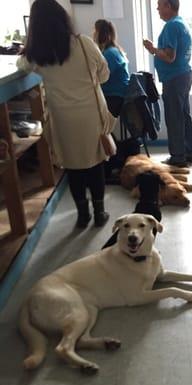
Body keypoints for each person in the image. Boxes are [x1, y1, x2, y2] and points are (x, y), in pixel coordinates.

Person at [17, 0, 111, 228]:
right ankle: (99, 213)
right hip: (90, 114)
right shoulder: (84, 43)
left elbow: (21, 65)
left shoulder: (37, 53)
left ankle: (82, 214)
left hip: (62, 117)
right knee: (95, 164)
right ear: (63, 18)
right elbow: (105, 74)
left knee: (73, 166)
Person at [143, 0, 192, 167]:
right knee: (183, 115)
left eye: (159, 5)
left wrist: (152, 49)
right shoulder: (181, 24)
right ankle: (190, 152)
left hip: (174, 78)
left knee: (174, 117)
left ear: (168, 6)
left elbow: (169, 57)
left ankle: (178, 156)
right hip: (183, 75)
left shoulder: (171, 26)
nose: (157, 9)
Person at [93, 19, 130, 117]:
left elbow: (100, 77)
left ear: (100, 34)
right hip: (117, 95)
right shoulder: (114, 50)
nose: (93, 35)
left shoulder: (109, 54)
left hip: (114, 97)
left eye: (95, 31)